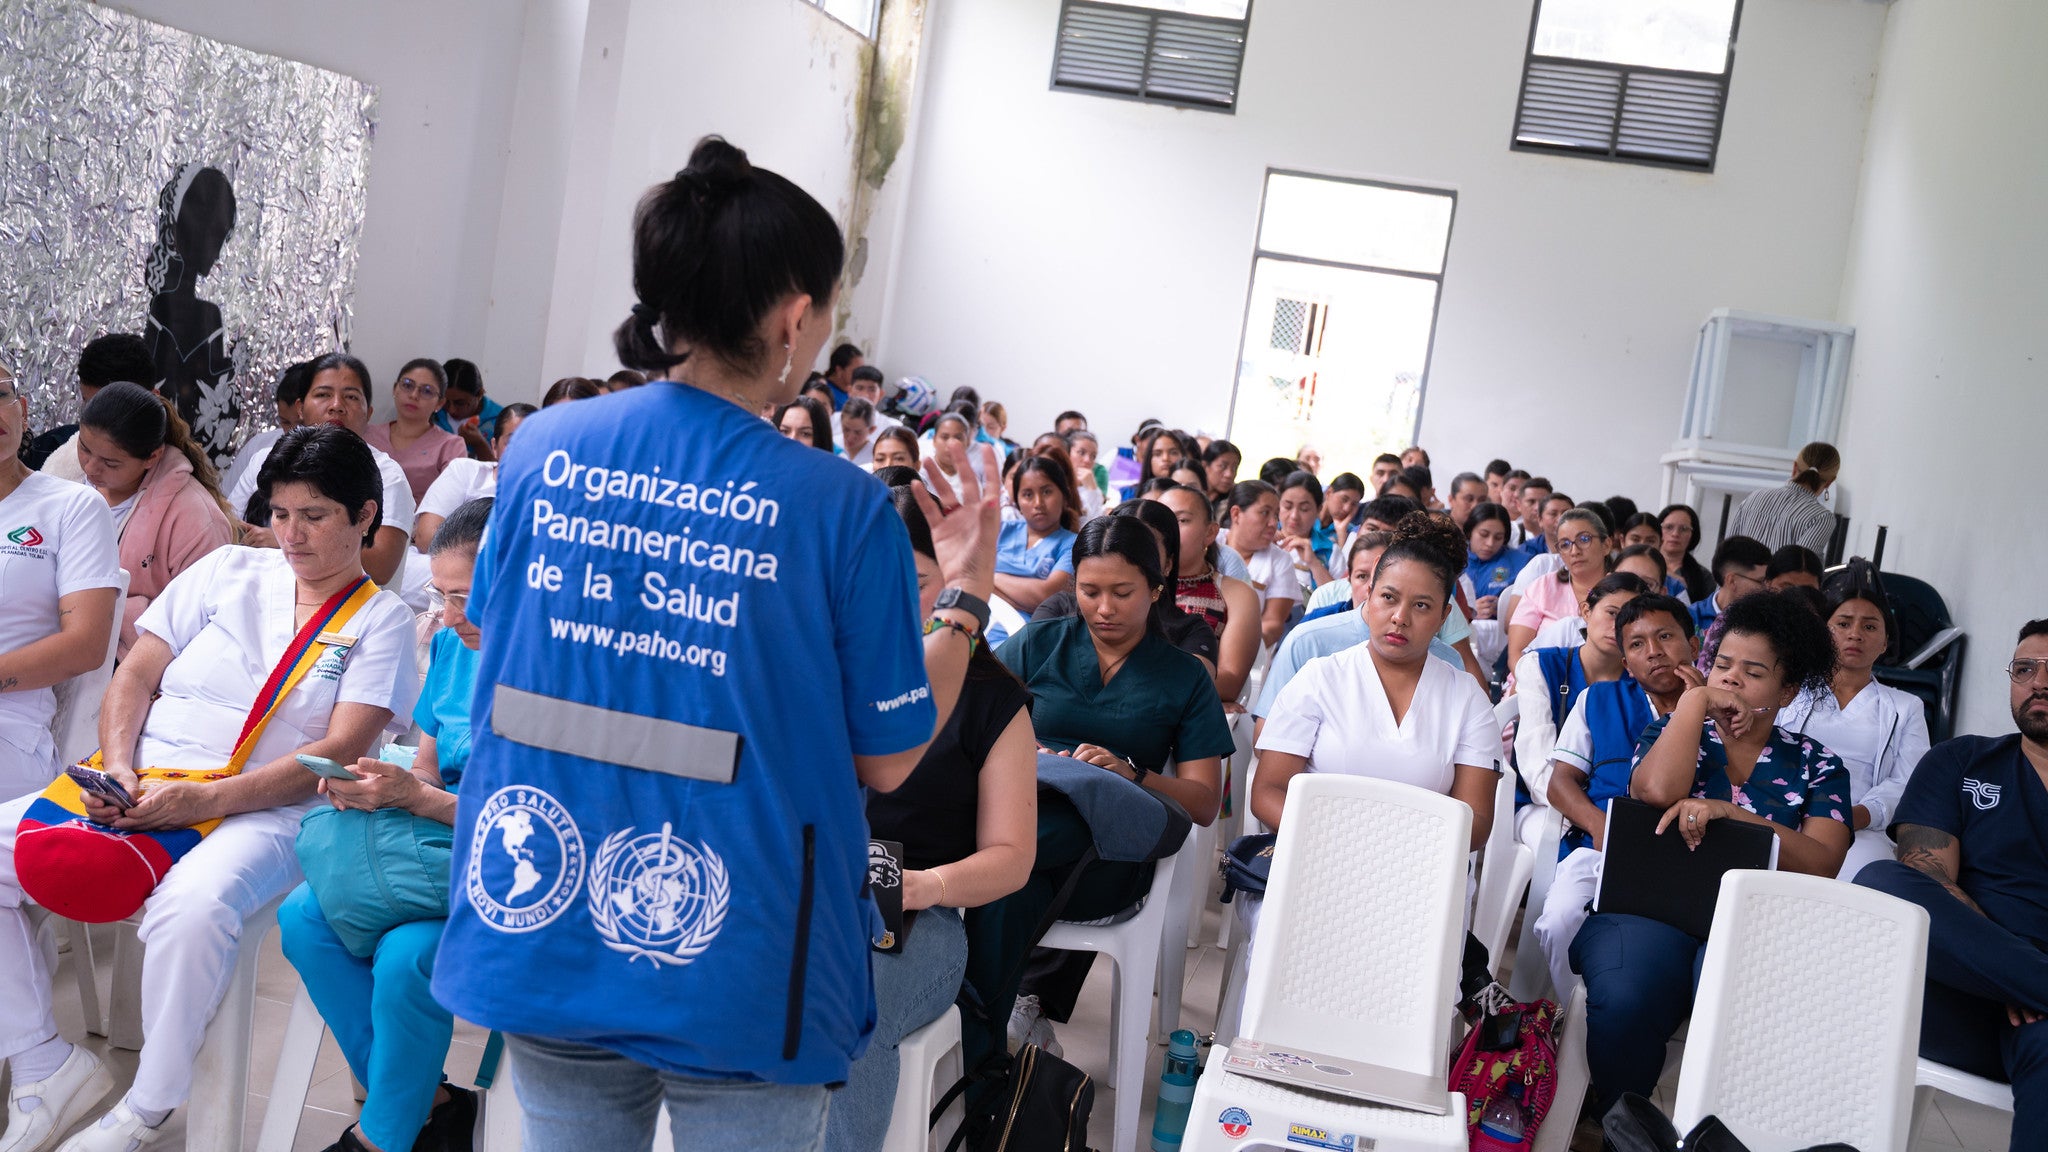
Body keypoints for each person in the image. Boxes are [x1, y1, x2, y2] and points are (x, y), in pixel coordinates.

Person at [431, 136, 1002, 1152]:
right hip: (744, 945)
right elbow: (889, 754)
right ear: (793, 319)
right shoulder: (838, 507)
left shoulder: (545, 451)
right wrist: (961, 599)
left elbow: (494, 639)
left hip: (542, 917)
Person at [0, 425, 419, 1149]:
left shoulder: (380, 620)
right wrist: (123, 764)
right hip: (143, 777)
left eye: (315, 516)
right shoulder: (228, 568)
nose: (292, 534)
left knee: (191, 908)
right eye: (281, 513)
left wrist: (208, 802)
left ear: (365, 517)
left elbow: (339, 748)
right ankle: (43, 1061)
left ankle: (149, 1105)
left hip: (270, 809)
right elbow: (135, 672)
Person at [1571, 591, 1851, 1116]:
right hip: (1648, 910)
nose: (1731, 680)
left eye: (1753, 672)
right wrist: (1695, 701)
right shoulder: (1672, 730)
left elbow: (1821, 862)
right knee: (1627, 995)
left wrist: (1734, 815)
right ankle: (1620, 1125)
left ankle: (1711, 1129)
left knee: (1738, 1006)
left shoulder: (1820, 765)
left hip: (1757, 926)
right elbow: (1653, 792)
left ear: (1787, 689)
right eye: (1722, 665)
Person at [276, 497, 495, 1152]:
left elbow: (541, 817)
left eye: (467, 597)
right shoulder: (458, 649)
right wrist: (383, 786)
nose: (452, 618)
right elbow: (428, 767)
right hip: (437, 846)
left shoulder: (562, 666)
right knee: (303, 919)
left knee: (407, 959)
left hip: (513, 862)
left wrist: (419, 800)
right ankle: (430, 1104)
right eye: (443, 596)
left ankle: (383, 1138)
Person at [830, 486, 1036, 1152]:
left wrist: (927, 886)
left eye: (920, 582)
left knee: (855, 1006)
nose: (895, 598)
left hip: (922, 921)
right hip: (813, 896)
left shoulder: (991, 698)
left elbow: (1011, 854)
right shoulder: (824, 663)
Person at [997, 516, 1231, 1048]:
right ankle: (1015, 1011)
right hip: (1021, 818)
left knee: (1015, 860)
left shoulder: (1184, 675)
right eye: (1089, 591)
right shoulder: (1040, 644)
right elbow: (968, 720)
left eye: (1123, 593)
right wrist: (1023, 750)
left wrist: (1133, 774)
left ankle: (997, 1009)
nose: (1104, 608)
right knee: (1018, 857)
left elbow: (1201, 802)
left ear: (1155, 589)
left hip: (1111, 852)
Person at [1855, 620, 2048, 1150]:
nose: (2039, 682)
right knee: (1881, 880)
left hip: (2036, 1027)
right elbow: (1926, 876)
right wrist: (2016, 972)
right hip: (1959, 994)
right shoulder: (1962, 760)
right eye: (2025, 669)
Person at [1252, 512, 1498, 843]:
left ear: (1444, 616)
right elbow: (1268, 791)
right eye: (1388, 597)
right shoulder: (1320, 677)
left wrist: (1392, 851)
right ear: (1369, 594)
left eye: (1422, 605)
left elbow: (1477, 820)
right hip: (1316, 854)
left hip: (1421, 870)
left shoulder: (1466, 698)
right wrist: (1338, 841)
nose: (1400, 617)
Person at [1532, 594, 1699, 999]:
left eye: (1665, 637)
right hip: (1604, 846)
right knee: (1559, 919)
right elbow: (1560, 782)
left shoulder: (1720, 706)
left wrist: (1700, 705)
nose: (1654, 652)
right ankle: (1576, 1011)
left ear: (1694, 646)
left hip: (1692, 856)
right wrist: (1598, 825)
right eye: (1638, 645)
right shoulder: (1598, 700)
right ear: (1626, 663)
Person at [0, 362, 121, 802]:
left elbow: (86, 644)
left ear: (23, 409)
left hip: (11, 734)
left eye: (1, 394)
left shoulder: (73, 506)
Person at [1778, 579, 1931, 879]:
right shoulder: (1789, 692)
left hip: (1859, 828)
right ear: (1824, 632)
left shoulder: (1905, 707)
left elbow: (1908, 782)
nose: (1855, 635)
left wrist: (1854, 815)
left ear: (1885, 642)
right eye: (1844, 623)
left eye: (1870, 627)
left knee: (1865, 883)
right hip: (1784, 814)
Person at [73, 382, 236, 657]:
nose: (90, 468)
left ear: (152, 457)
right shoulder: (64, 480)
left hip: (139, 673)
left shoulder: (197, 520)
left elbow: (199, 627)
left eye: (111, 463)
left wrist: (104, 612)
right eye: (84, 449)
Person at [227, 354, 416, 588]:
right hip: (261, 592)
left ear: (368, 414)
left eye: (351, 397)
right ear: (300, 408)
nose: (337, 406)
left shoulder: (388, 477)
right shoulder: (265, 460)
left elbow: (380, 566)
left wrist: (281, 543)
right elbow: (229, 529)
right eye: (323, 394)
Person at [1513, 573, 1650, 814]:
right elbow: (1536, 770)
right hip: (1542, 806)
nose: (1618, 627)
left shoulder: (1640, 682)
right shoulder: (1541, 666)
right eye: (1612, 613)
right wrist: (1587, 814)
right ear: (1586, 611)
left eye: (1630, 620)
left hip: (1614, 807)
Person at [1151, 484, 1259, 703]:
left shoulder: (1236, 594)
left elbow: (1229, 682)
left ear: (1210, 532)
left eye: (1181, 520)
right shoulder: (1137, 587)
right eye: (1160, 521)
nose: (1168, 530)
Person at [411, 403, 533, 559]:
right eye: (512, 441)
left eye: (532, 442)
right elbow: (427, 537)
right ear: (494, 447)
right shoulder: (465, 471)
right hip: (439, 571)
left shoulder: (548, 494)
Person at [28, 333, 156, 479]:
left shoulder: (181, 487)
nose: (90, 468)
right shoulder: (47, 450)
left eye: (111, 463)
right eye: (89, 405)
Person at [987, 453, 1081, 643]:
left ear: (1064, 495)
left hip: (1027, 640)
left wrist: (990, 577)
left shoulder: (1072, 544)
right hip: (978, 628)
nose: (1038, 503)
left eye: (1047, 492)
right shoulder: (1000, 530)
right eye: (1028, 494)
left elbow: (1047, 596)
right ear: (1017, 502)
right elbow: (967, 578)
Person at [1507, 506, 1611, 672]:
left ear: (1606, 545)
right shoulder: (1543, 587)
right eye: (1565, 544)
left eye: (1584, 539)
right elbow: (1516, 652)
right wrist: (1534, 686)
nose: (1574, 551)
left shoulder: (1621, 590)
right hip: (1539, 680)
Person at [362, 359, 466, 503]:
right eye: (407, 385)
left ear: (440, 403)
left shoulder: (450, 446)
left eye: (427, 391)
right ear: (395, 389)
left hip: (420, 524)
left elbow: (452, 501)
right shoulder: (366, 434)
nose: (414, 395)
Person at [1221, 480, 1298, 647]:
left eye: (1276, 515)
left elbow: (1272, 623)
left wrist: (1237, 647)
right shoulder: (1211, 542)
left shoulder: (1280, 560)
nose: (1273, 523)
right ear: (1236, 514)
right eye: (1264, 513)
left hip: (1248, 652)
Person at [1727, 441, 1840, 555]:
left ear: (1794, 468)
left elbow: (1727, 551)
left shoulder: (1755, 496)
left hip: (1735, 573)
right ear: (1829, 482)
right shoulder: (1822, 518)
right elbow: (1801, 567)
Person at [220, 360, 313, 499]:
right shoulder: (259, 448)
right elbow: (226, 505)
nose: (293, 431)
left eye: (302, 423)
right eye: (285, 422)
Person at [1461, 501, 1529, 672]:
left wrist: (1505, 607)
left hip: (1504, 643)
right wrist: (1467, 609)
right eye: (1483, 534)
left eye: (1498, 537)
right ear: (1470, 531)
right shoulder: (1455, 559)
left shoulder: (1522, 562)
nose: (1490, 543)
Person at [1688, 535, 1772, 634]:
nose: (1768, 588)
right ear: (1732, 581)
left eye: (1768, 581)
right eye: (1761, 581)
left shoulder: (1766, 624)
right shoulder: (1689, 618)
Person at [1274, 470, 1333, 594]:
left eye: (1304, 509)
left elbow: (1337, 598)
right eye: (1288, 506)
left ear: (1318, 509)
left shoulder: (1330, 551)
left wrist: (1313, 563)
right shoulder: (1262, 539)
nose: (1294, 516)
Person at [433, 359, 502, 459]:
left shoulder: (500, 422)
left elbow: (501, 471)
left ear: (479, 394)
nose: (452, 410)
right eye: (446, 401)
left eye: (460, 403)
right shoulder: (433, 412)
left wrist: (479, 444)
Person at [1656, 503, 1715, 603]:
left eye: (1684, 529)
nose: (1675, 534)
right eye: (1669, 527)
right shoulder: (1642, 564)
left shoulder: (1703, 576)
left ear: (1693, 535)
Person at [1316, 472, 1365, 563]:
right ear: (1329, 492)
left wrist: (1342, 535)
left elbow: (1344, 570)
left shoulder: (1352, 533)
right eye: (1344, 499)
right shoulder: (1308, 517)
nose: (1347, 508)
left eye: (1354, 504)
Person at [1511, 476, 1553, 549]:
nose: (1537, 507)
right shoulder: (1510, 533)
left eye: (1543, 502)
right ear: (1518, 505)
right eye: (1531, 502)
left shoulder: (1560, 534)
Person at [837, 397, 879, 466]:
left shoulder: (876, 457)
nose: (850, 437)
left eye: (858, 432)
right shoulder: (831, 445)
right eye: (846, 429)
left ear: (871, 429)